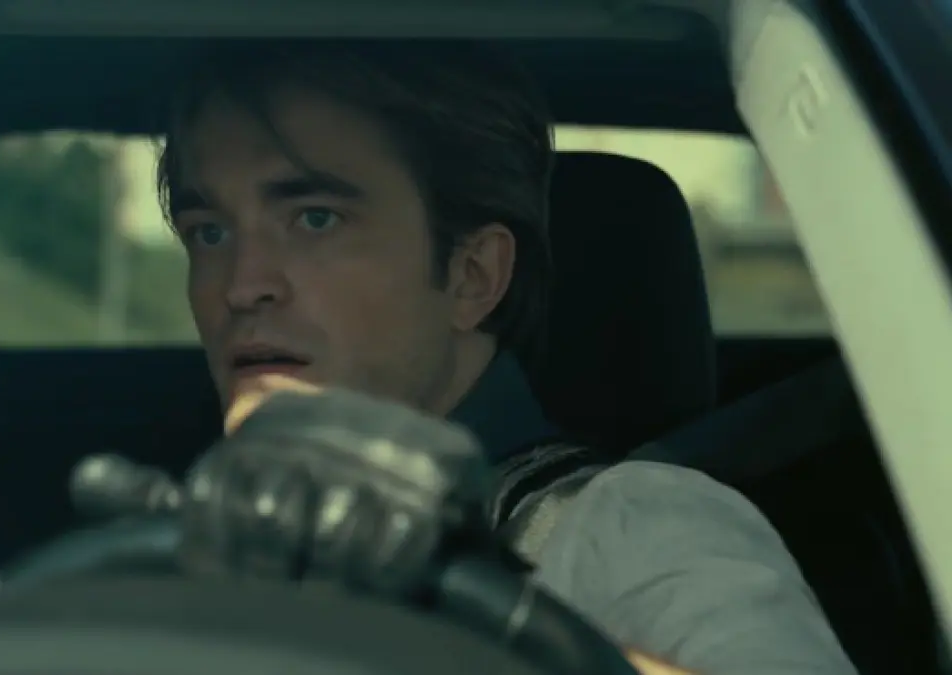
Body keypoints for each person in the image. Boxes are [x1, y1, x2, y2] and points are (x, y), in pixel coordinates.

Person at [155, 40, 857, 675]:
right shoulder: (191, 548)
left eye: (315, 219)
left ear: (472, 276)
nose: (241, 286)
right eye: (209, 231)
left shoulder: (636, 527)